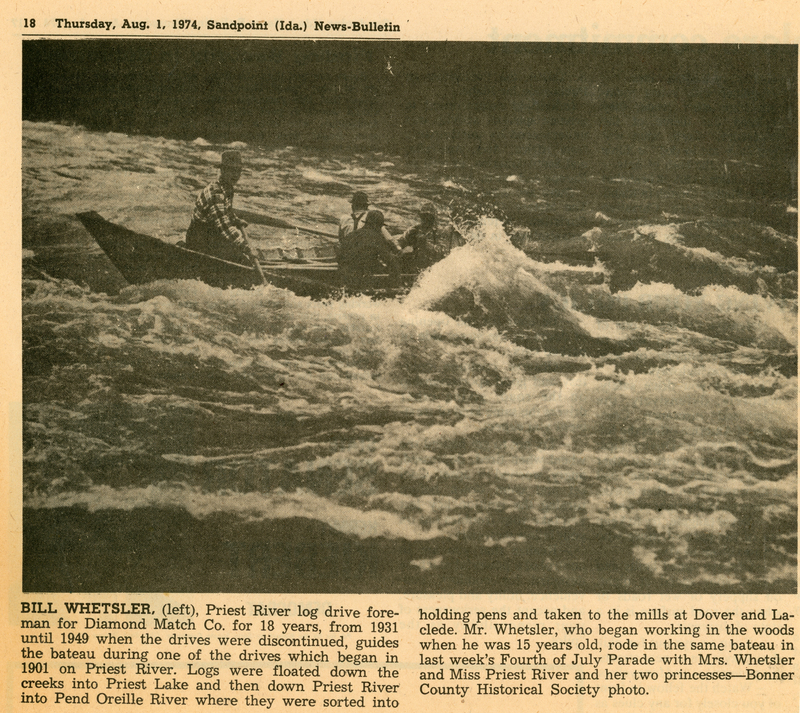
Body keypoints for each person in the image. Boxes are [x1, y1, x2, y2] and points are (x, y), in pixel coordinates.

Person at [185, 150, 258, 266]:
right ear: (222, 170)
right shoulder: (215, 193)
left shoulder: (228, 188)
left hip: (212, 235)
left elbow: (226, 212)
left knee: (239, 255)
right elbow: (225, 227)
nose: (235, 175)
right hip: (199, 240)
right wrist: (246, 247)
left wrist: (235, 220)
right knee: (241, 260)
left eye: (238, 171)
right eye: (231, 170)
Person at [337, 210, 398, 289]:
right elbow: (390, 261)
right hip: (362, 280)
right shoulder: (377, 238)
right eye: (380, 226)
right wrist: (396, 281)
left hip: (344, 278)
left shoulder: (351, 235)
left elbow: (339, 255)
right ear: (377, 226)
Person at [397, 202, 465, 272]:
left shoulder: (440, 232)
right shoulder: (414, 230)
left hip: (432, 268)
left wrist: (427, 245)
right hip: (416, 264)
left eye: (429, 217)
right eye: (424, 216)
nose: (426, 219)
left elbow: (444, 254)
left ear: (434, 218)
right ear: (421, 217)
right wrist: (402, 249)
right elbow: (399, 241)